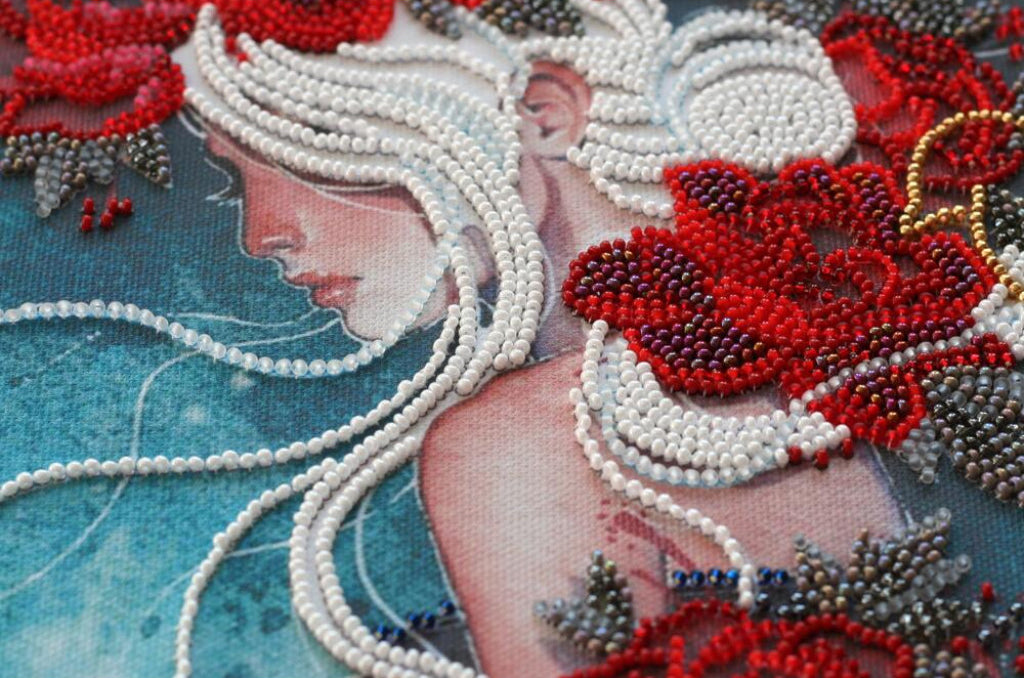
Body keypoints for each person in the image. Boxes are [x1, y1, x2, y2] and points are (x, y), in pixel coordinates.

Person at [190, 3, 903, 676]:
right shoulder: (857, 313)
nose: (262, 235)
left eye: (310, 150)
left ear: (544, 114)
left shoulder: (518, 440)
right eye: (233, 184)